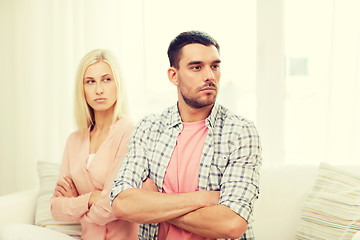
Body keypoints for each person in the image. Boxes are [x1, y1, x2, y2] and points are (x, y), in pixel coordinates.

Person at [110, 31, 262, 240]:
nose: (209, 75)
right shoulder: (149, 128)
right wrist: (203, 199)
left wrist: (154, 204)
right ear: (174, 75)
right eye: (197, 67)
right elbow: (121, 203)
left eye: (215, 66)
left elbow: (232, 223)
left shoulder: (240, 132)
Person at [50, 49, 138, 240]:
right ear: (82, 89)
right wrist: (91, 198)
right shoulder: (74, 140)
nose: (99, 89)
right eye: (90, 81)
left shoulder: (128, 132)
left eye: (106, 79)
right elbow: (55, 209)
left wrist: (75, 202)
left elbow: (113, 206)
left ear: (118, 84)